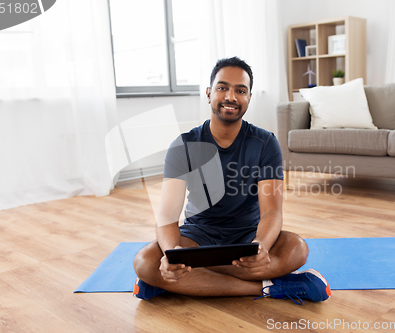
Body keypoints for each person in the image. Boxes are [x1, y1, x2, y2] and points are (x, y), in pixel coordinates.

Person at [133, 56, 331, 304]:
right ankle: (268, 288)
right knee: (145, 262)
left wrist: (261, 246)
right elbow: (167, 216)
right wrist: (173, 254)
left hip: (248, 236)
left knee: (297, 249)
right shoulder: (184, 145)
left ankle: (174, 284)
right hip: (198, 236)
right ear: (208, 93)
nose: (231, 97)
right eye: (222, 88)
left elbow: (271, 212)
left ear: (249, 97)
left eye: (240, 90)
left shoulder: (265, 143)